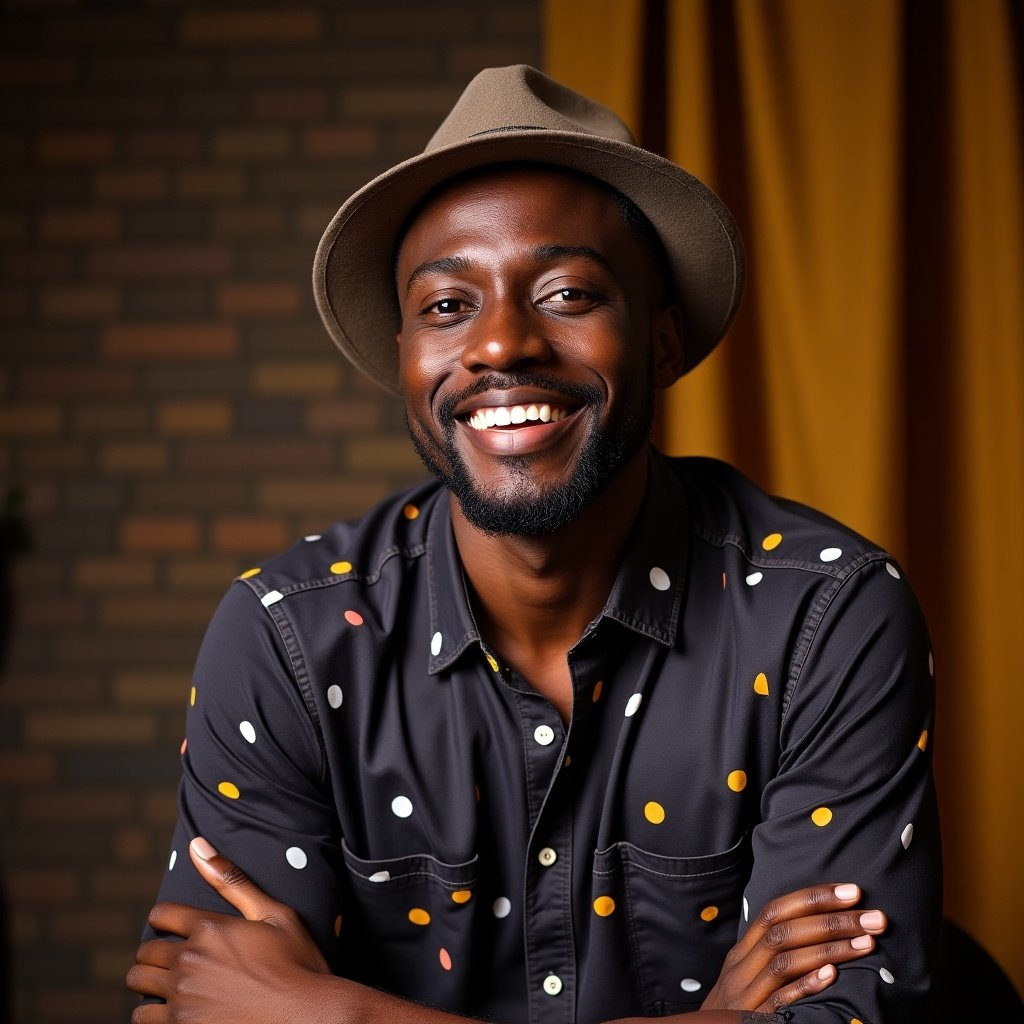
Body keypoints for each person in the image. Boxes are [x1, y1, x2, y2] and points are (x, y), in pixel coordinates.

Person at [126, 65, 940, 1024]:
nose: (502, 345)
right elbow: (204, 1011)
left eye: (566, 294)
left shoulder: (824, 615)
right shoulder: (286, 640)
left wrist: (348, 1015)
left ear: (664, 343)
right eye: (445, 306)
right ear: (404, 358)